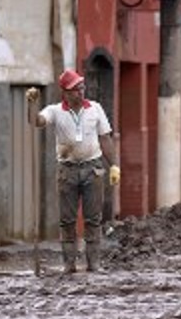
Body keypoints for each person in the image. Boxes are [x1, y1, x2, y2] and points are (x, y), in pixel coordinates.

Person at [25, 69, 120, 274]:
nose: (80, 92)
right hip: (67, 170)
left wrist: (113, 165)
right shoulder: (55, 111)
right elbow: (36, 122)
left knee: (93, 219)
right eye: (75, 89)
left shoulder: (95, 109)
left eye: (81, 88)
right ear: (65, 93)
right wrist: (31, 104)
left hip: (92, 168)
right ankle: (69, 264)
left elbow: (105, 138)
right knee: (67, 220)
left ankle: (93, 264)